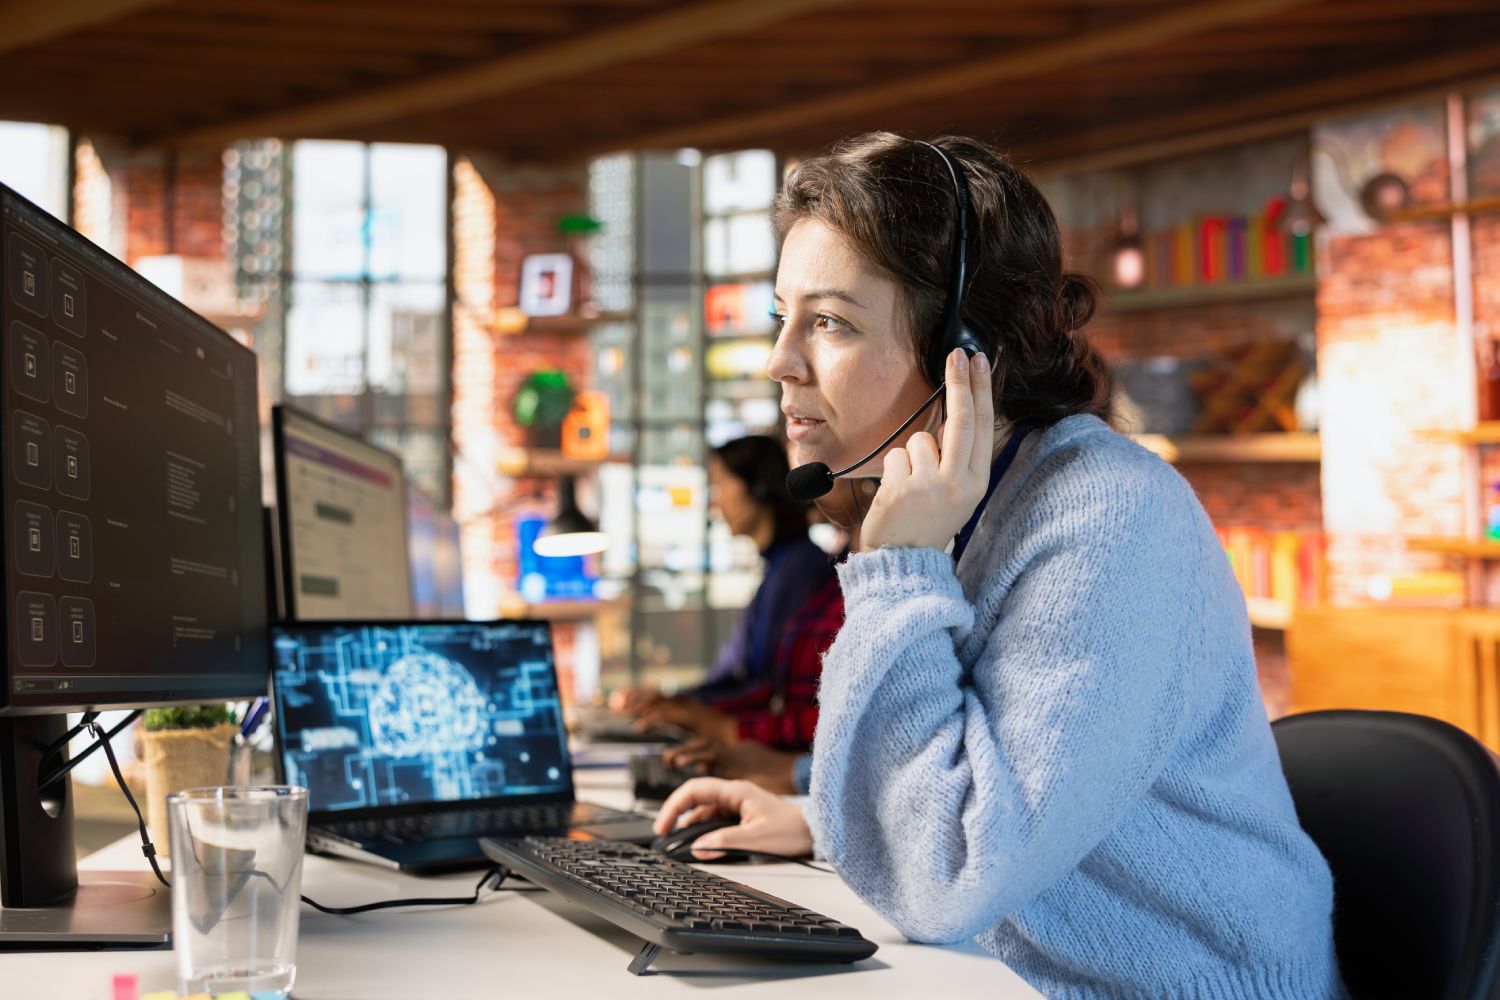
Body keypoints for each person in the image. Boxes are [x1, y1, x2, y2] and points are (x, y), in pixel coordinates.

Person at [655, 133, 1346, 998]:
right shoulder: (954, 503)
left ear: (965, 350)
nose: (779, 360)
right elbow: (989, 785)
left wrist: (898, 566)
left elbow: (949, 874)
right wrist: (821, 819)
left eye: (828, 321)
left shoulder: (1105, 520)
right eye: (780, 317)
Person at [619, 435, 840, 751]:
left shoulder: (797, 571)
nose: (716, 502)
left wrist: (686, 708)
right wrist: (677, 702)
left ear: (757, 486)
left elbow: (761, 684)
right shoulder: (782, 567)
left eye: (720, 485)